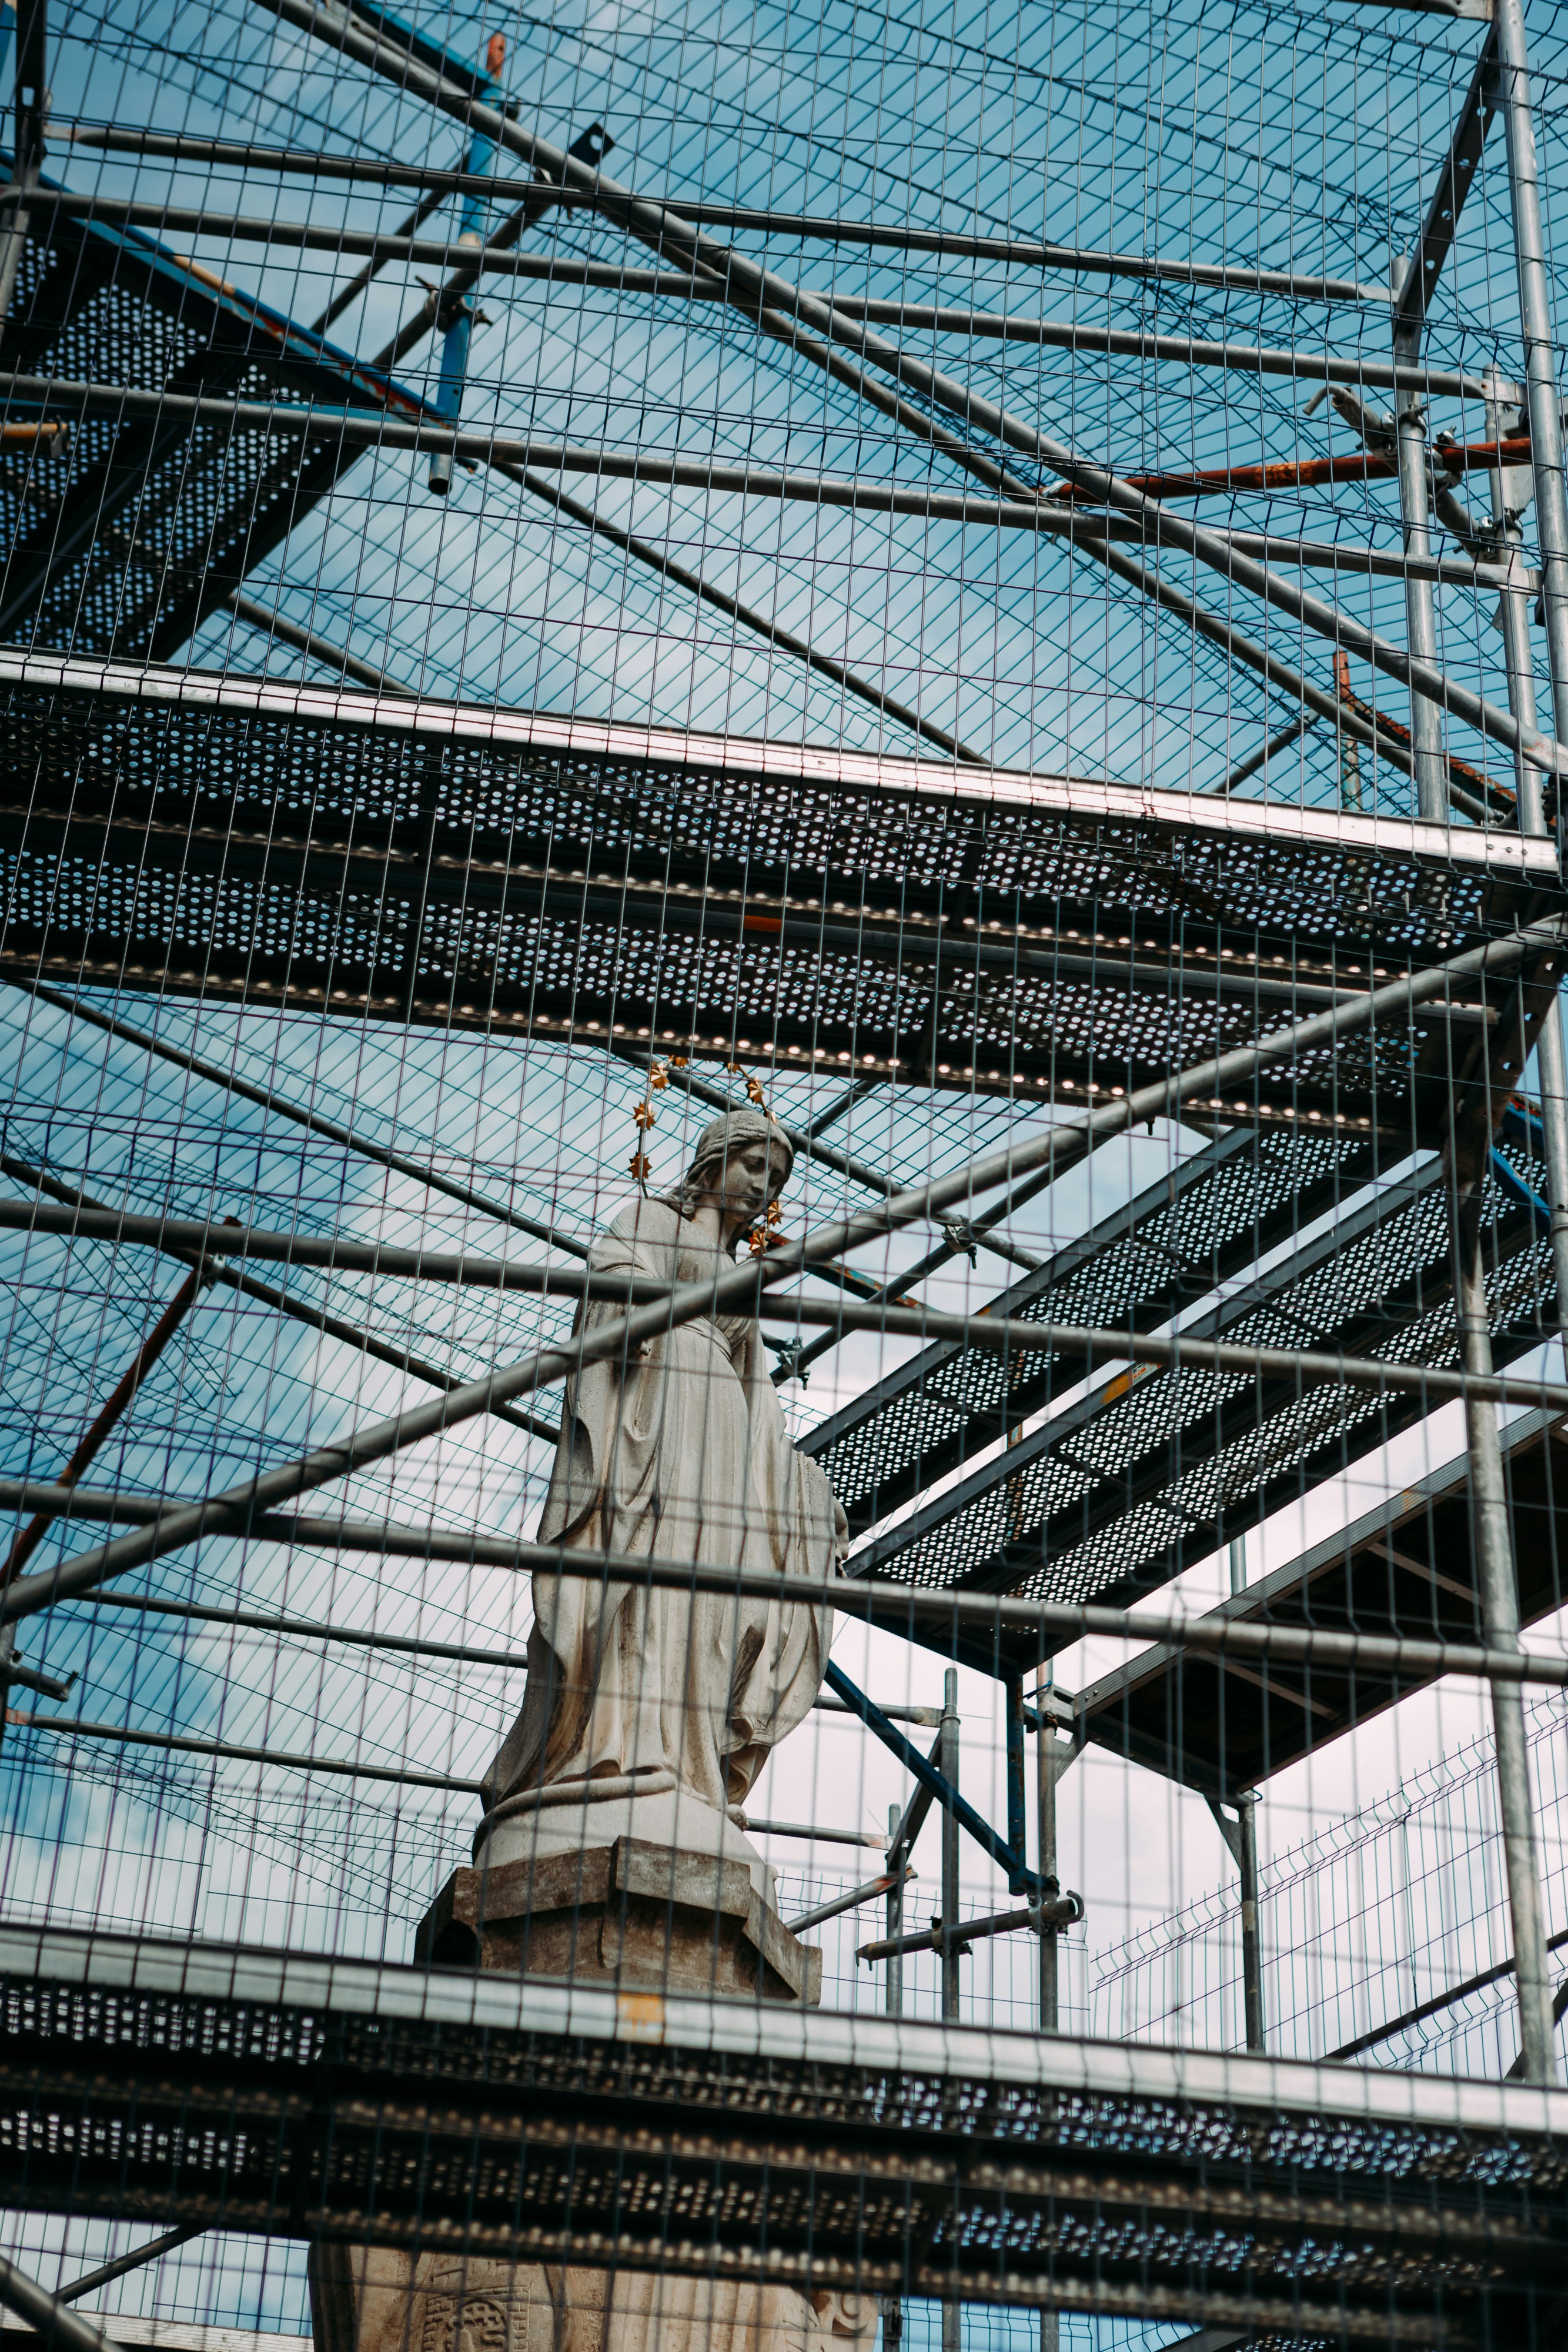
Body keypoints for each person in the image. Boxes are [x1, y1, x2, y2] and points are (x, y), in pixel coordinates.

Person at [482, 1105, 847, 1835]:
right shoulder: (654, 1221)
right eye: (753, 1166)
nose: (761, 1187)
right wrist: (647, 1306)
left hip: (720, 1434)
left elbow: (761, 1405)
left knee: (707, 1591)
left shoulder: (742, 1276)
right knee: (646, 1571)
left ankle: (689, 1766)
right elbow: (610, 1279)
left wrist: (802, 1490)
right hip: (655, 1411)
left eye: (773, 1179)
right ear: (716, 1159)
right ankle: (614, 1750)